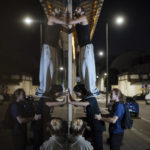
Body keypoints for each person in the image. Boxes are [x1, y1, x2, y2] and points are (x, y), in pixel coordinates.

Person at [35, 8, 67, 97]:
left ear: (58, 13)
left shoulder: (58, 23)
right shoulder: (51, 18)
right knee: (46, 68)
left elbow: (67, 29)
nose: (55, 9)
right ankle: (42, 90)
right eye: (55, 9)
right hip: (47, 46)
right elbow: (64, 24)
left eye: (57, 10)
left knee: (53, 70)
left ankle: (50, 90)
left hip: (54, 48)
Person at [68, 6, 100, 96]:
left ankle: (93, 89)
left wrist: (66, 14)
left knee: (88, 67)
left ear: (82, 11)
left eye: (77, 9)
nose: (75, 10)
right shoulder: (77, 24)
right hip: (82, 47)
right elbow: (69, 30)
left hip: (87, 46)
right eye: (76, 9)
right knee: (82, 69)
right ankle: (85, 88)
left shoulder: (83, 18)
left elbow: (70, 22)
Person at [67, 84, 105, 150]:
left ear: (81, 91)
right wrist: (69, 95)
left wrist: (70, 102)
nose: (76, 95)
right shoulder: (86, 98)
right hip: (92, 123)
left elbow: (85, 104)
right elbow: (76, 104)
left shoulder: (91, 97)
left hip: (97, 125)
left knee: (98, 146)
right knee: (93, 142)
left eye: (77, 93)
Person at [32, 85, 67, 150]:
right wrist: (62, 102)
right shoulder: (46, 97)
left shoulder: (51, 98)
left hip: (43, 122)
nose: (60, 95)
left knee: (43, 141)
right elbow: (48, 104)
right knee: (38, 143)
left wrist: (66, 96)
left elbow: (61, 104)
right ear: (55, 91)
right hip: (38, 123)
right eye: (60, 93)